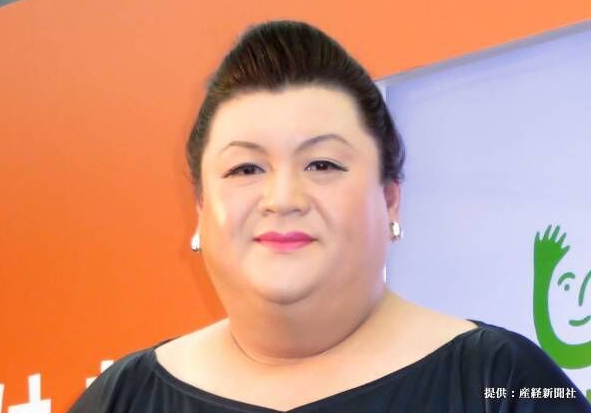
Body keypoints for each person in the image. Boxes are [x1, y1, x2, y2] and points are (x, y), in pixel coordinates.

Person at [69, 20, 591, 412]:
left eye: (322, 164)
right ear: (201, 208)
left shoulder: (501, 381)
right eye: (246, 168)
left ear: (390, 198)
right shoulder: (123, 397)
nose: (282, 198)